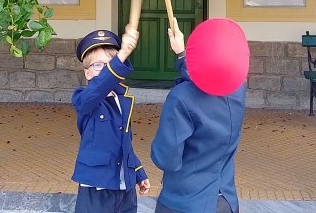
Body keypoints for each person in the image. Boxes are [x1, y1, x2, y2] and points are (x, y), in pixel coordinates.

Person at [151, 19, 246, 213]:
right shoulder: (238, 89)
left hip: (184, 202)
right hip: (226, 200)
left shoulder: (180, 98)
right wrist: (181, 54)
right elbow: (208, 77)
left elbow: (166, 158)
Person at [71, 25, 151, 213]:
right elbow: (98, 87)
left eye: (110, 63)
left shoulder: (122, 101)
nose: (106, 70)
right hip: (96, 188)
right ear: (87, 72)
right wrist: (121, 56)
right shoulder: (84, 100)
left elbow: (124, 143)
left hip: (125, 188)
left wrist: (138, 172)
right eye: (99, 65)